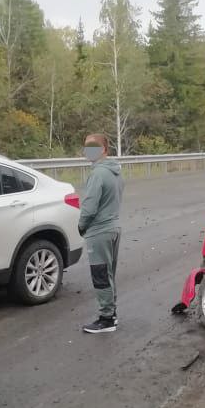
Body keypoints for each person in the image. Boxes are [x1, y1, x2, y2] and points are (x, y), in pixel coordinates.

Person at [78, 134, 124, 334]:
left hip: (99, 231)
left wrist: (82, 226)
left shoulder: (98, 174)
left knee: (100, 275)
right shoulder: (115, 172)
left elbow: (89, 207)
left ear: (105, 149)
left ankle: (106, 319)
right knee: (108, 274)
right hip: (113, 227)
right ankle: (111, 314)